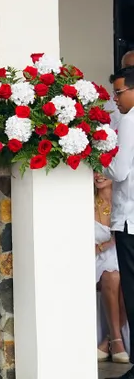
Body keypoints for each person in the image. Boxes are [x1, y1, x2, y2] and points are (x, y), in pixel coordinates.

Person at [106, 65, 134, 379]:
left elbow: (120, 171)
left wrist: (101, 156)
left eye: (119, 92)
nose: (115, 98)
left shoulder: (129, 120)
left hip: (129, 219)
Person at [94, 172, 128, 363]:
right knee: (112, 275)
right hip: (95, 259)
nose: (98, 175)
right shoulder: (85, 203)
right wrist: (104, 245)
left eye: (104, 170)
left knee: (126, 281)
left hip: (120, 257)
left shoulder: (123, 205)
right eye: (94, 170)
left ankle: (107, 342)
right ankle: (116, 340)